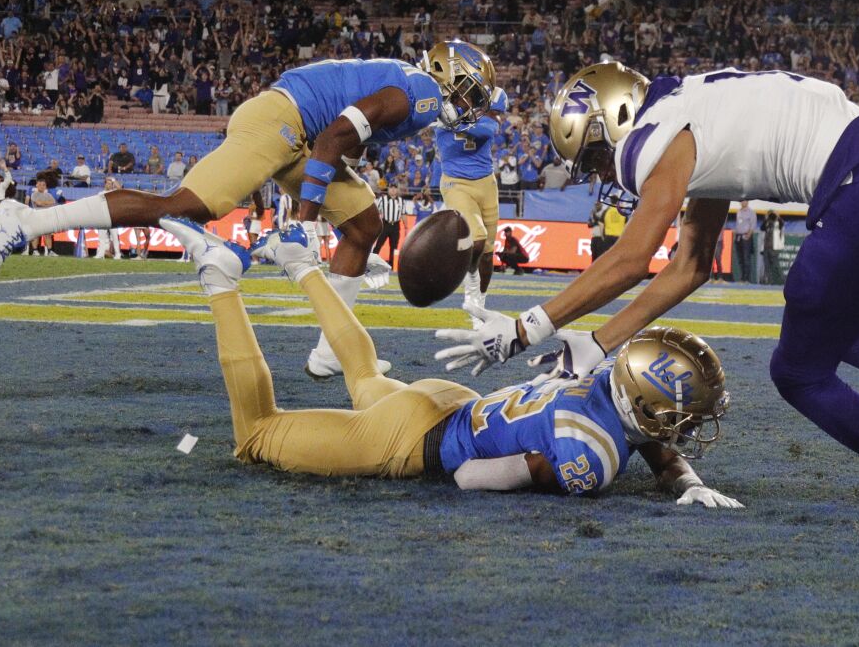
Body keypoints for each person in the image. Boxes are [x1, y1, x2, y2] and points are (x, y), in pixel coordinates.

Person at [436, 62, 859, 537]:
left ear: (611, 117)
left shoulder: (656, 134)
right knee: (832, 329)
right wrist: (596, 340)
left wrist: (524, 328)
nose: (601, 172)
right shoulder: (694, 116)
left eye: (593, 155)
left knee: (798, 372)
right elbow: (688, 267)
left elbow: (634, 256)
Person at [0, 41, 496, 381]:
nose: (474, 104)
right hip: (284, 120)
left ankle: (327, 352)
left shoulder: (408, 88)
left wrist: (326, 196)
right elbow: (336, 136)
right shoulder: (421, 94)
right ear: (446, 75)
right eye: (471, 90)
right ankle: (28, 221)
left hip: (303, 129)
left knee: (363, 225)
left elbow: (345, 140)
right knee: (182, 207)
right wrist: (305, 221)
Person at [161, 219, 741, 507]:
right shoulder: (590, 457)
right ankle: (219, 276)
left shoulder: (603, 378)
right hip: (414, 440)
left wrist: (686, 480)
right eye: (686, 413)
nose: (687, 425)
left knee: (364, 376)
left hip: (450, 401)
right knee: (256, 434)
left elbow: (654, 446)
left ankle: (299, 260)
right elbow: (470, 478)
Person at [436, 85, 508, 317]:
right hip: (456, 183)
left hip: (486, 184)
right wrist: (448, 117)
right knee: (477, 239)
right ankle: (471, 280)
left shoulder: (484, 112)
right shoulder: (442, 112)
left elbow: (486, 130)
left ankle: (480, 306)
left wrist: (455, 121)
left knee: (488, 253)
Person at [372, 185, 409, 262]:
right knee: (378, 245)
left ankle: (392, 265)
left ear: (397, 190)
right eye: (391, 188)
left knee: (394, 247)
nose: (393, 190)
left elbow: (403, 214)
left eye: (395, 188)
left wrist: (406, 227)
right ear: (388, 189)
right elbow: (376, 213)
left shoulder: (401, 201)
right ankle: (371, 263)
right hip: (385, 224)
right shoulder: (382, 199)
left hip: (395, 225)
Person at [28, 179, 57, 256]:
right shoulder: (34, 194)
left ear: (46, 186)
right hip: (37, 216)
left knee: (47, 234)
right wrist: (47, 204)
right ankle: (35, 250)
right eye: (40, 184)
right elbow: (38, 204)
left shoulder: (49, 195)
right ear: (37, 185)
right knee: (36, 234)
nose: (42, 186)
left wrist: (43, 203)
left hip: (47, 216)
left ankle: (50, 251)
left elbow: (53, 203)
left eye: (43, 185)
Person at [733, 200, 757, 283]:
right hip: (738, 236)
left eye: (744, 201)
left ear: (747, 202)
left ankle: (747, 279)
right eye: (741, 201)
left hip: (745, 236)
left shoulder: (751, 212)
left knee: (746, 258)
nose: (743, 203)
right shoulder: (739, 212)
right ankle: (742, 278)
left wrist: (749, 235)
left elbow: (753, 225)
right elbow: (738, 224)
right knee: (740, 258)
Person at [761, 211, 784, 285]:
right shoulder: (767, 223)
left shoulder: (778, 223)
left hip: (774, 248)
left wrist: (777, 216)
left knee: (776, 265)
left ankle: (781, 281)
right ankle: (769, 281)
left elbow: (782, 223)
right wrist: (766, 219)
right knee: (767, 266)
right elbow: (762, 228)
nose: (771, 217)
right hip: (766, 247)